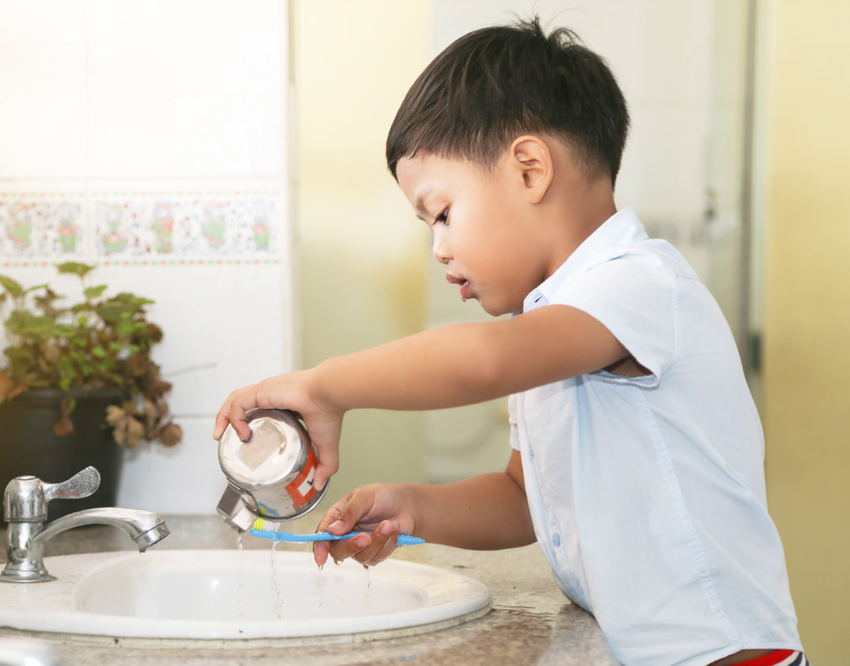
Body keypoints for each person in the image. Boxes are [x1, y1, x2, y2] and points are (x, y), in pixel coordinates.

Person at [213, 18, 805, 666]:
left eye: (442, 214)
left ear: (529, 170)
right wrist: (411, 507)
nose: (439, 247)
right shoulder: (556, 321)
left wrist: (323, 387)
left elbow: (481, 361)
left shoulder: (639, 283)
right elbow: (524, 500)